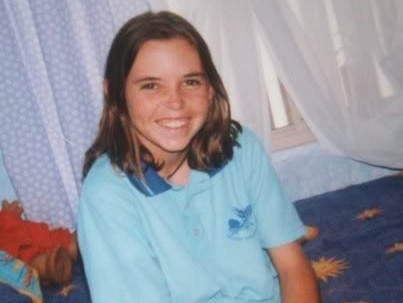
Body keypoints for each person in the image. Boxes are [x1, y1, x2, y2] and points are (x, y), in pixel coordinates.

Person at [77, 10, 320, 303]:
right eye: (151, 86)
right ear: (114, 93)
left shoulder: (240, 147)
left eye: (190, 81)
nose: (176, 102)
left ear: (209, 89)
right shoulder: (107, 193)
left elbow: (292, 265)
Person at [0, 200, 78, 285]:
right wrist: (7, 217)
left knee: (63, 239)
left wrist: (9, 214)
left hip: (38, 237)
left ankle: (81, 241)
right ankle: (52, 267)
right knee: (33, 265)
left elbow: (9, 225)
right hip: (20, 259)